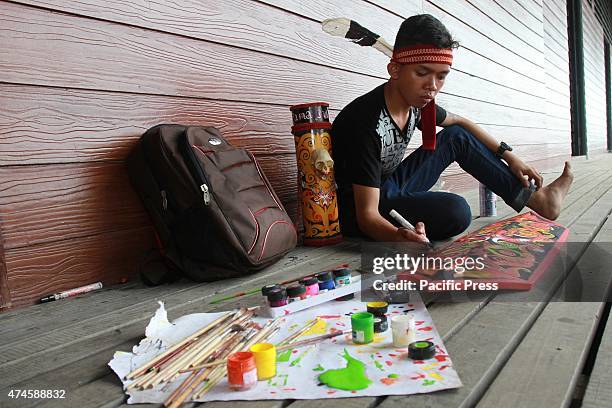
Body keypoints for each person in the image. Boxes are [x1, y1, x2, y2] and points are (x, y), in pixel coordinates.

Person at [331, 14, 573, 243]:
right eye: (422, 73)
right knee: (456, 211)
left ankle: (540, 200)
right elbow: (367, 217)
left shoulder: (417, 101)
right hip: (358, 210)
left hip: (389, 188)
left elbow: (461, 123)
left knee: (456, 136)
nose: (432, 86)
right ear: (394, 69)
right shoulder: (365, 122)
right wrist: (398, 238)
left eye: (442, 76)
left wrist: (510, 156)